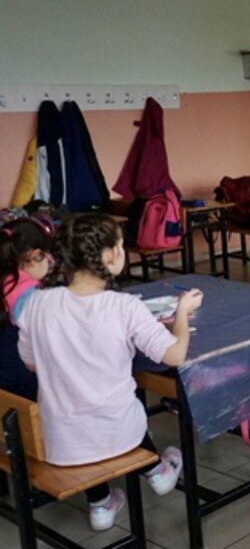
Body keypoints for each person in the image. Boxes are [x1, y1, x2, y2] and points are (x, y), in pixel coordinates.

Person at [16, 213, 200, 531]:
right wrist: (182, 312)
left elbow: (30, 363)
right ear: (113, 253)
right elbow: (175, 355)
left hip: (61, 441)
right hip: (120, 433)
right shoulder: (124, 306)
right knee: (119, 405)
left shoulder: (36, 303)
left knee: (79, 410)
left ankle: (100, 504)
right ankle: (157, 470)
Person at [0, 218, 53, 400]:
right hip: (21, 383)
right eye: (47, 256)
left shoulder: (6, 281)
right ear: (35, 255)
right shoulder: (31, 297)